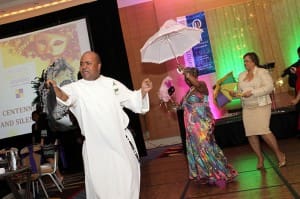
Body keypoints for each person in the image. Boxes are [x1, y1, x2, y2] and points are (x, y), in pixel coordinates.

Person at [46, 51, 152, 199]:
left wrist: (142, 92)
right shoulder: (76, 88)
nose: (84, 67)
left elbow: (132, 100)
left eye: (88, 63)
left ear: (99, 66)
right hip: (96, 149)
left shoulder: (112, 84)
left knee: (128, 182)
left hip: (120, 144)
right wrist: (56, 89)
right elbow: (65, 97)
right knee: (102, 189)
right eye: (82, 64)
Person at [181, 67, 238, 188]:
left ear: (194, 75)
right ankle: (206, 174)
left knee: (206, 148)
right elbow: (183, 106)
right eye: (185, 76)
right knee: (197, 151)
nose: (186, 78)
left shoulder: (201, 84)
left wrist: (186, 73)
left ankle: (221, 174)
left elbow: (196, 84)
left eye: (189, 75)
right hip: (192, 127)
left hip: (202, 124)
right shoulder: (189, 91)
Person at [230, 52, 286, 169]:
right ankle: (260, 158)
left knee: (264, 131)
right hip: (247, 107)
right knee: (251, 134)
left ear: (254, 61)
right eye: (244, 61)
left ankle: (279, 154)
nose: (245, 63)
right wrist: (235, 93)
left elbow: (269, 87)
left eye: (247, 61)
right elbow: (240, 92)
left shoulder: (262, 72)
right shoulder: (241, 75)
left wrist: (253, 92)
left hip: (261, 105)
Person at [31, 111, 64, 182]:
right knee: (49, 159)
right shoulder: (37, 123)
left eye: (35, 115)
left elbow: (44, 131)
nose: (34, 117)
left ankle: (59, 176)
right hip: (44, 143)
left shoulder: (42, 120)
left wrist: (42, 142)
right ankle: (58, 177)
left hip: (46, 142)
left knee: (50, 159)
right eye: (33, 116)